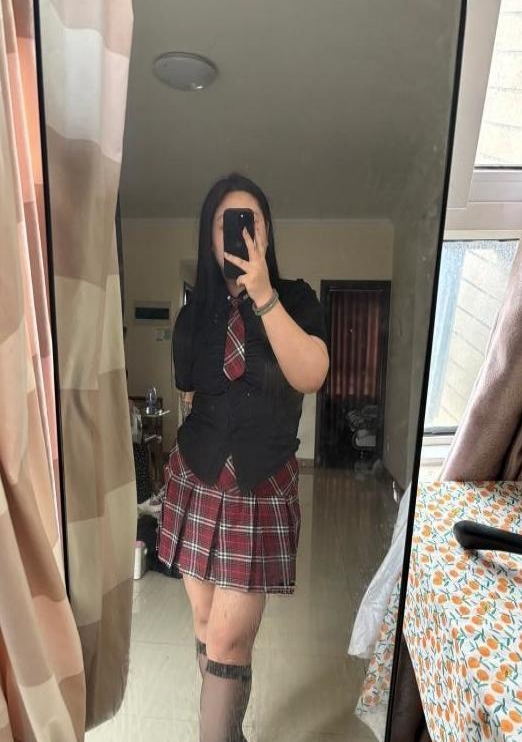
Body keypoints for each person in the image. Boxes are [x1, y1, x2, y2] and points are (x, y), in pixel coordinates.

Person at [157, 173, 329, 742]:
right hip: (196, 478)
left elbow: (311, 373)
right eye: (224, 223)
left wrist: (263, 296)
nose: (237, 232)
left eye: (249, 220)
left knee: (230, 639)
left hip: (259, 486)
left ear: (266, 232)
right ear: (209, 239)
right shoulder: (194, 315)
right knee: (208, 625)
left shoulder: (296, 299)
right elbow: (189, 389)